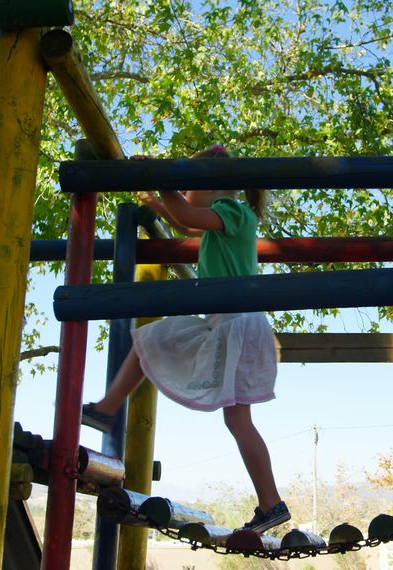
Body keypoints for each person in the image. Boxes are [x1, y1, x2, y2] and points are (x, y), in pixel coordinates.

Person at [81, 144, 290, 534]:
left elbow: (186, 215)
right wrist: (159, 201)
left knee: (158, 344)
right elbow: (185, 222)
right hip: (230, 323)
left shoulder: (235, 212)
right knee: (160, 345)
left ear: (212, 187)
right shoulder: (225, 216)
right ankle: (271, 503)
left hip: (236, 323)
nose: (184, 191)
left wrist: (161, 178)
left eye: (188, 184)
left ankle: (106, 409)